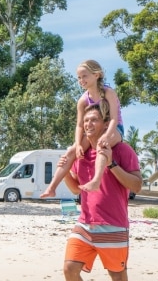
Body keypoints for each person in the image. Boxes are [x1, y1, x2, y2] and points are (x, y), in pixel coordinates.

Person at [60, 103, 142, 281]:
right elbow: (76, 188)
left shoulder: (123, 151)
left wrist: (112, 165)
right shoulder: (81, 154)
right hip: (85, 223)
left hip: (114, 226)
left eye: (94, 120)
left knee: (119, 279)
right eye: (86, 121)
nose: (88, 125)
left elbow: (136, 185)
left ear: (106, 125)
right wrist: (65, 172)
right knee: (69, 269)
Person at [41, 60, 124, 197]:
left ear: (96, 75)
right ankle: (52, 187)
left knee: (102, 144)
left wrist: (107, 135)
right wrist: (79, 144)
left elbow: (114, 118)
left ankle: (96, 181)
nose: (81, 80)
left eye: (84, 76)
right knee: (71, 151)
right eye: (79, 77)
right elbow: (80, 125)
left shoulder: (109, 92)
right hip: (93, 130)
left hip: (114, 129)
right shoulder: (83, 100)